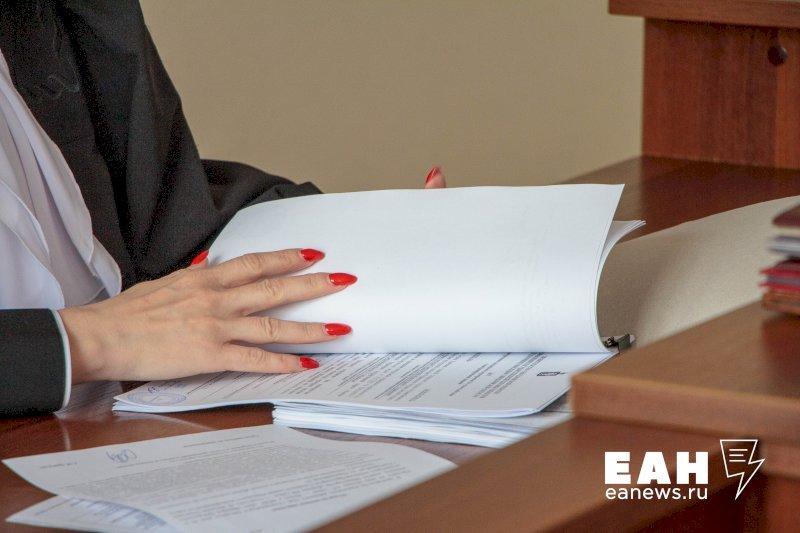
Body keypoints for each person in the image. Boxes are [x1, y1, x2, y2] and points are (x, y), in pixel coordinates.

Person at [0, 1, 446, 416]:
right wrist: (85, 341)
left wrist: (367, 238)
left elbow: (170, 218)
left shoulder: (55, 14)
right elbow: (136, 320)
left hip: (129, 424)